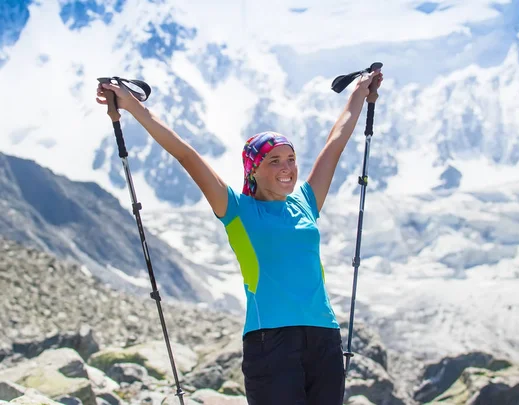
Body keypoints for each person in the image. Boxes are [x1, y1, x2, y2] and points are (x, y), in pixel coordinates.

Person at [96, 67, 383, 405]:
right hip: (270, 344)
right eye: (274, 161)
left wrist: (360, 91)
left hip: (324, 339)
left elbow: (335, 143)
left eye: (290, 159)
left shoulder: (305, 202)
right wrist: (132, 106)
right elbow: (186, 154)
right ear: (254, 169)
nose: (287, 168)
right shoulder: (237, 210)